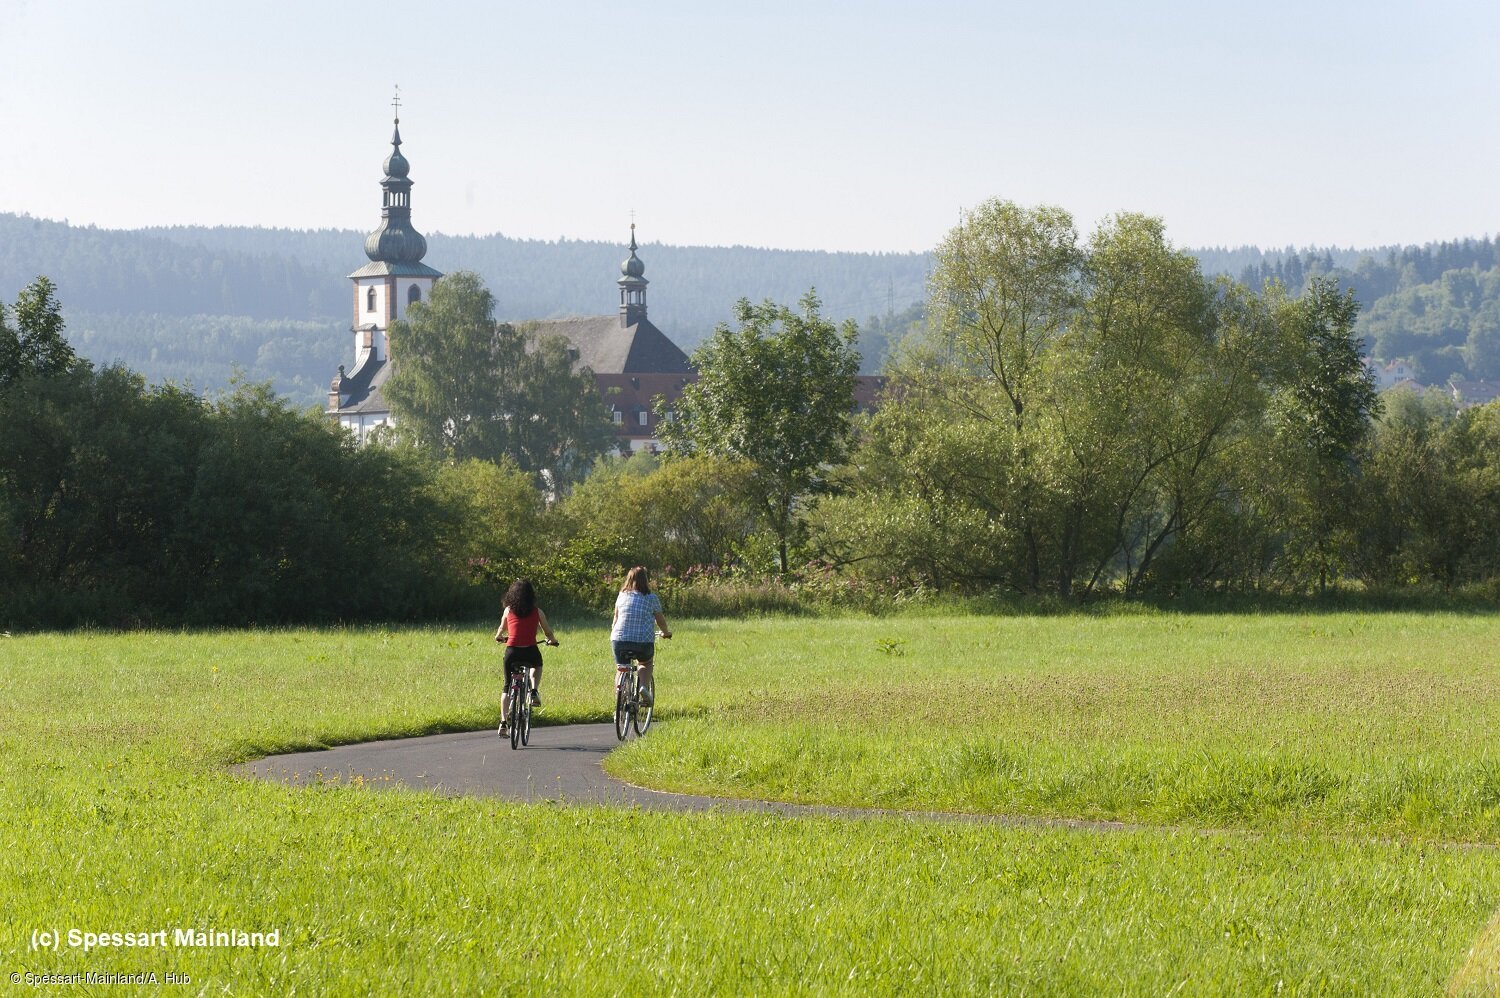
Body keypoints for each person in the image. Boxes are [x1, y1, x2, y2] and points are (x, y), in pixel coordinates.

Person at [494, 579, 557, 737]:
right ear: (531, 595)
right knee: (537, 665)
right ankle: (534, 690)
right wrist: (552, 641)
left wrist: (499, 637)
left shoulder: (508, 610)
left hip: (512, 652)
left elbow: (500, 631)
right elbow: (547, 632)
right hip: (530, 651)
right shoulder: (537, 611)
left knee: (507, 686)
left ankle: (503, 722)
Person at [610, 565, 671, 706]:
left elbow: (616, 619)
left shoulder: (621, 595)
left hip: (619, 640)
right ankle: (643, 687)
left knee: (621, 668)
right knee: (645, 663)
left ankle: (619, 700)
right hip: (643, 642)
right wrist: (666, 632)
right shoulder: (651, 598)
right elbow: (660, 620)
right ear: (646, 580)